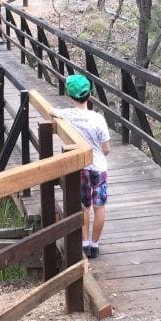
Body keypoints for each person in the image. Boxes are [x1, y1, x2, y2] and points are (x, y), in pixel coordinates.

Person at [53, 74, 111, 259]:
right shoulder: (98, 119)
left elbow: (52, 111)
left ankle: (84, 243)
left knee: (83, 206)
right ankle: (95, 245)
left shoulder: (68, 115)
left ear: (71, 97)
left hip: (81, 168)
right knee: (99, 206)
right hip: (99, 167)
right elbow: (106, 148)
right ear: (90, 95)